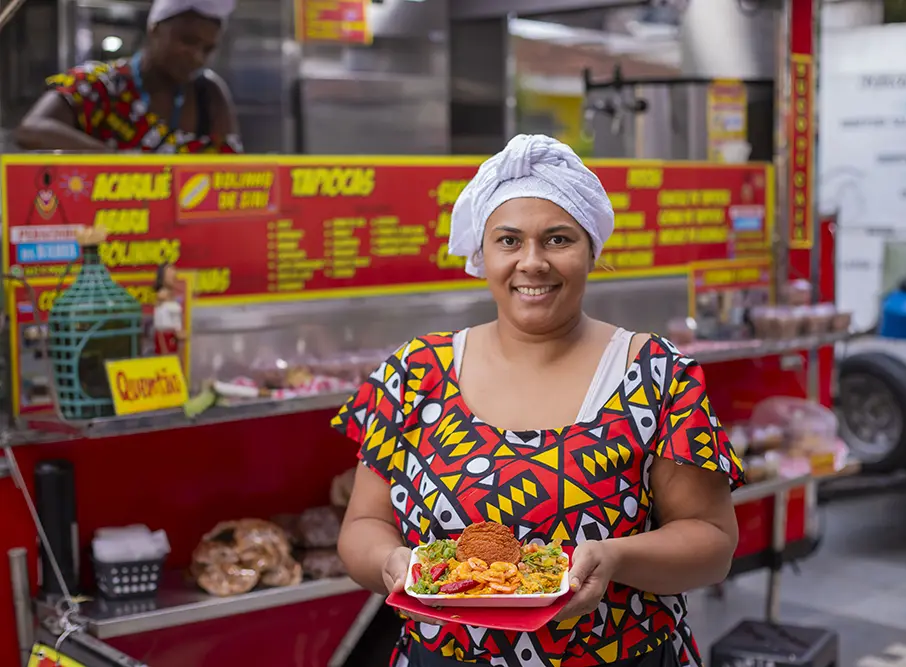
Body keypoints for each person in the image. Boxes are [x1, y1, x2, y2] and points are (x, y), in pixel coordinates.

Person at [334, 134, 745, 667]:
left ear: (592, 250)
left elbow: (711, 542)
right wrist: (393, 564)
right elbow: (364, 526)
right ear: (482, 254)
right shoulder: (415, 373)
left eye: (557, 239)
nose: (532, 262)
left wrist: (615, 557)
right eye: (508, 240)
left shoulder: (654, 375)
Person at [15, 0, 241, 153]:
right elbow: (31, 130)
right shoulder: (101, 84)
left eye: (208, 49)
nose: (197, 57)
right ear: (154, 29)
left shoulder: (208, 94)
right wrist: (117, 163)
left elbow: (234, 168)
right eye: (187, 41)